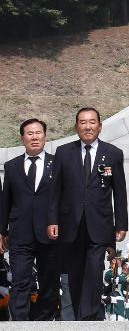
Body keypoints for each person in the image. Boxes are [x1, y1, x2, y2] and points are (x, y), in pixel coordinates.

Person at [56, 107, 127, 320]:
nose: (88, 126)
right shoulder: (63, 152)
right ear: (76, 127)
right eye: (83, 122)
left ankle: (89, 318)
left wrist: (121, 224)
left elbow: (120, 192)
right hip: (72, 225)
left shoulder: (113, 153)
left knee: (95, 271)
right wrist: (53, 220)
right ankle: (78, 317)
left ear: (100, 126)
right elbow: (55, 192)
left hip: (100, 225)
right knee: (74, 273)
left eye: (92, 122)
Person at [0, 119, 60, 320]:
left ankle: (43, 322)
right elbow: (5, 201)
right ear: (22, 138)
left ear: (45, 135)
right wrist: (2, 231)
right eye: (29, 133)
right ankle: (19, 324)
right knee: (20, 282)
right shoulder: (12, 166)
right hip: (20, 234)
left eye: (38, 133)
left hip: (50, 235)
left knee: (49, 282)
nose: (34, 137)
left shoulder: (58, 164)